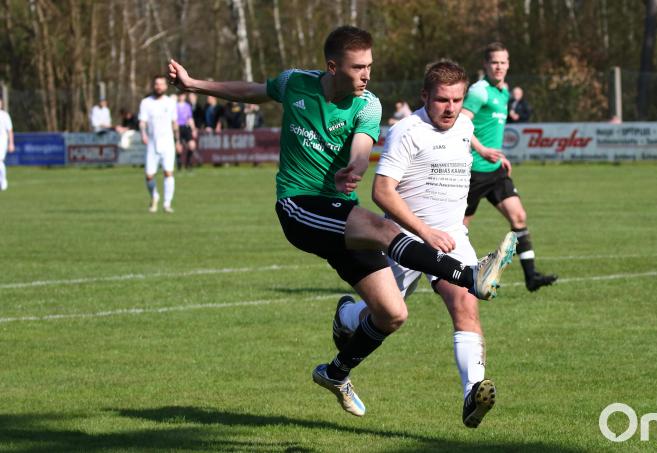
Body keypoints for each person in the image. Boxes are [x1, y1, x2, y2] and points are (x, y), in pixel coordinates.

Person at [168, 25, 516, 418]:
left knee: (392, 314)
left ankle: (336, 372)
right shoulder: (295, 83)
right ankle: (470, 276)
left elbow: (362, 146)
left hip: (342, 214)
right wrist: (195, 84)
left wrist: (354, 166)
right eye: (358, 67)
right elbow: (251, 91)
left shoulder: (368, 105)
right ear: (333, 67)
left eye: (370, 65)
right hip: (300, 206)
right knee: (387, 230)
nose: (367, 74)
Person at [335, 61, 504, 428]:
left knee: (465, 302)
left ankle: (472, 394)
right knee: (384, 314)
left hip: (453, 238)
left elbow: (465, 134)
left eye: (457, 99)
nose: (451, 108)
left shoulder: (464, 124)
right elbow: (381, 192)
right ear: (425, 96)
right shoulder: (406, 132)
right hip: (406, 241)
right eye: (443, 99)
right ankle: (346, 316)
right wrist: (425, 231)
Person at [461, 42, 557, 292]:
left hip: (495, 171)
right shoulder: (479, 91)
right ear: (485, 64)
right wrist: (481, 150)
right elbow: (461, 124)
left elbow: (491, 131)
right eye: (494, 62)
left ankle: (531, 276)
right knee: (458, 230)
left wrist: (499, 156)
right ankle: (448, 276)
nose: (499, 66)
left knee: (519, 217)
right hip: (473, 172)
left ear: (508, 64)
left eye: (503, 62)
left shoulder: (504, 92)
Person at [139, 75, 179, 213]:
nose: (159, 86)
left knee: (168, 173)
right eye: (157, 84)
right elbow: (142, 121)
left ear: (166, 86)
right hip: (152, 143)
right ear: (153, 86)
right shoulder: (146, 103)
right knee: (149, 175)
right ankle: (154, 196)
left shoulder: (171, 103)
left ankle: (167, 204)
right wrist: (143, 134)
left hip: (168, 143)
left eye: (161, 84)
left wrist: (178, 140)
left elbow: (175, 123)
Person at [176, 92, 197, 170]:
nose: (181, 96)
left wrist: (193, 129)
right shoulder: (174, 106)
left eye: (182, 95)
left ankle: (188, 163)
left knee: (192, 145)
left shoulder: (188, 106)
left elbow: (190, 118)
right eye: (180, 95)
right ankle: (179, 164)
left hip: (186, 127)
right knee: (179, 148)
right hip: (177, 128)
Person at [0, 97, 14, 191]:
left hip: (2, 141)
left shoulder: (5, 115)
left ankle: (3, 180)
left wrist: (11, 143)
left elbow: (10, 130)